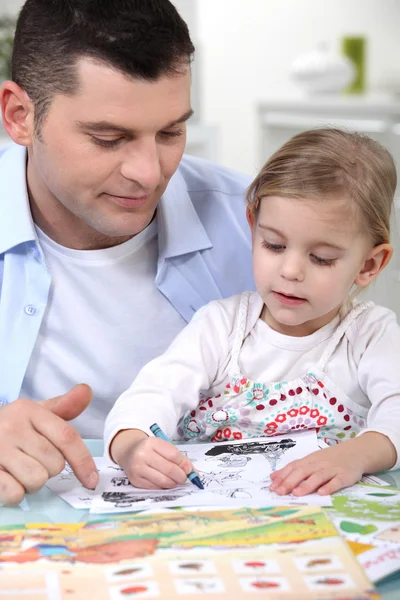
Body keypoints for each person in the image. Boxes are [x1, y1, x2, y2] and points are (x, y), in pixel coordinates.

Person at [0, 0, 254, 505]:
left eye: (170, 132)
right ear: (19, 116)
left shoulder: (257, 229)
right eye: (109, 138)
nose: (149, 172)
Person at [105, 128, 400, 497]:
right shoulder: (221, 326)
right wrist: (133, 444)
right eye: (274, 245)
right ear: (252, 227)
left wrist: (353, 457)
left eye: (321, 258)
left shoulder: (370, 334)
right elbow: (150, 395)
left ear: (369, 264)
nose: (290, 271)